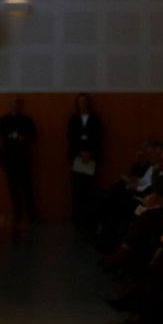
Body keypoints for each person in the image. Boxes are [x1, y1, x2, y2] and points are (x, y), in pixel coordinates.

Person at [0, 97, 38, 232]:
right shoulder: (3, 120)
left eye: (17, 104)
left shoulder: (26, 120)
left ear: (20, 105)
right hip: (9, 159)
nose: (15, 106)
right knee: (13, 189)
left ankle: (32, 215)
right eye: (12, 104)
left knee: (27, 188)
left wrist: (25, 137)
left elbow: (34, 135)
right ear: (9, 105)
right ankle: (18, 214)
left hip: (23, 159)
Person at [65, 93, 103, 230]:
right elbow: (71, 138)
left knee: (90, 187)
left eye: (85, 101)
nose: (82, 104)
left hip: (91, 157)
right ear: (77, 103)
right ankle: (78, 216)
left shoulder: (95, 119)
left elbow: (98, 137)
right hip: (77, 157)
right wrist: (80, 152)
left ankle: (90, 215)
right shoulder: (74, 119)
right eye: (80, 101)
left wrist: (90, 153)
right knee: (77, 187)